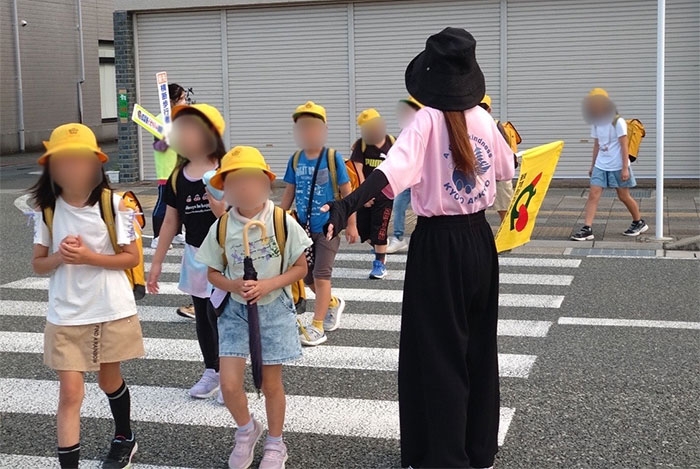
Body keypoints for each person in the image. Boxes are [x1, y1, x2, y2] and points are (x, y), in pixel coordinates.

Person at [323, 28, 515, 469]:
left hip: (439, 242)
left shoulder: (426, 120)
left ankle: (443, 456)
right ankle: (478, 449)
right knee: (478, 346)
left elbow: (388, 177)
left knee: (436, 350)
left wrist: (346, 204)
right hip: (479, 240)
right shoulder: (484, 119)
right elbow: (507, 167)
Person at [29, 123, 145, 468]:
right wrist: (61, 257)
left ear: (96, 164)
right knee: (70, 392)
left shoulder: (116, 205)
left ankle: (125, 436)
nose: (72, 168)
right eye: (63, 162)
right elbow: (38, 264)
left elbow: (131, 257)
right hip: (65, 313)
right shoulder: (47, 210)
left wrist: (87, 257)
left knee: (110, 380)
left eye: (80, 161)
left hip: (110, 308)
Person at [196, 146, 311, 469]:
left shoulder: (280, 220)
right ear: (226, 189)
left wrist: (267, 285)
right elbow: (212, 273)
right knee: (230, 383)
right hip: (235, 311)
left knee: (270, 383)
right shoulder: (221, 227)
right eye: (237, 182)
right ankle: (247, 430)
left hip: (273, 309)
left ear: (266, 184)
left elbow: (301, 267)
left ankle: (276, 442)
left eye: (252, 180)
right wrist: (235, 286)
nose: (246, 188)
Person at [146, 103, 228, 402]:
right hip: (195, 255)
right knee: (203, 317)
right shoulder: (178, 174)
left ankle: (229, 374)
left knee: (222, 315)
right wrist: (156, 264)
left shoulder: (226, 168)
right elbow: (170, 220)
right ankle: (212, 371)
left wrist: (220, 208)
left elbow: (243, 213)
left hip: (226, 258)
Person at [281, 101, 358, 346]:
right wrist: (276, 220)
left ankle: (317, 326)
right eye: (303, 127)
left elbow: (348, 193)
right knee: (307, 278)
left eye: (313, 127)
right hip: (301, 228)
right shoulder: (295, 159)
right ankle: (333, 303)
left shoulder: (332, 157)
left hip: (328, 227)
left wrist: (352, 224)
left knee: (322, 274)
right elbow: (288, 193)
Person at [571, 88, 648, 240]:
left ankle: (638, 221)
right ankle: (587, 228)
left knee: (623, 196)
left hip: (618, 165)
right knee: (593, 194)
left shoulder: (617, 121)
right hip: (601, 164)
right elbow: (596, 145)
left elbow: (624, 145)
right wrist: (592, 166)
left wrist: (625, 168)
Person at [151, 83, 194, 320]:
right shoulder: (161, 119)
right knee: (164, 207)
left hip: (180, 171)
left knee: (180, 209)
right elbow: (158, 144)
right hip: (167, 170)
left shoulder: (182, 118)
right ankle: (158, 236)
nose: (186, 100)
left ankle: (176, 233)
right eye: (183, 97)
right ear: (174, 98)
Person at [350, 108, 396, 279]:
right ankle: (380, 244)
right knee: (363, 229)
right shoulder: (362, 145)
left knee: (379, 229)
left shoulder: (393, 142)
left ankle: (379, 263)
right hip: (367, 195)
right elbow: (358, 170)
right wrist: (365, 194)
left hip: (386, 195)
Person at [386, 96, 423, 254]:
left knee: (424, 210)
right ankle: (399, 238)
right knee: (399, 205)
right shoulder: (405, 130)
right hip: (408, 179)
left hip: (424, 179)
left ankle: (422, 239)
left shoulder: (429, 129)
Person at [479, 94, 516, 222]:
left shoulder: (466, 125)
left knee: (475, 211)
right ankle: (509, 238)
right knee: (505, 210)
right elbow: (505, 151)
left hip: (478, 174)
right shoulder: (495, 124)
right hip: (498, 174)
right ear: (490, 109)